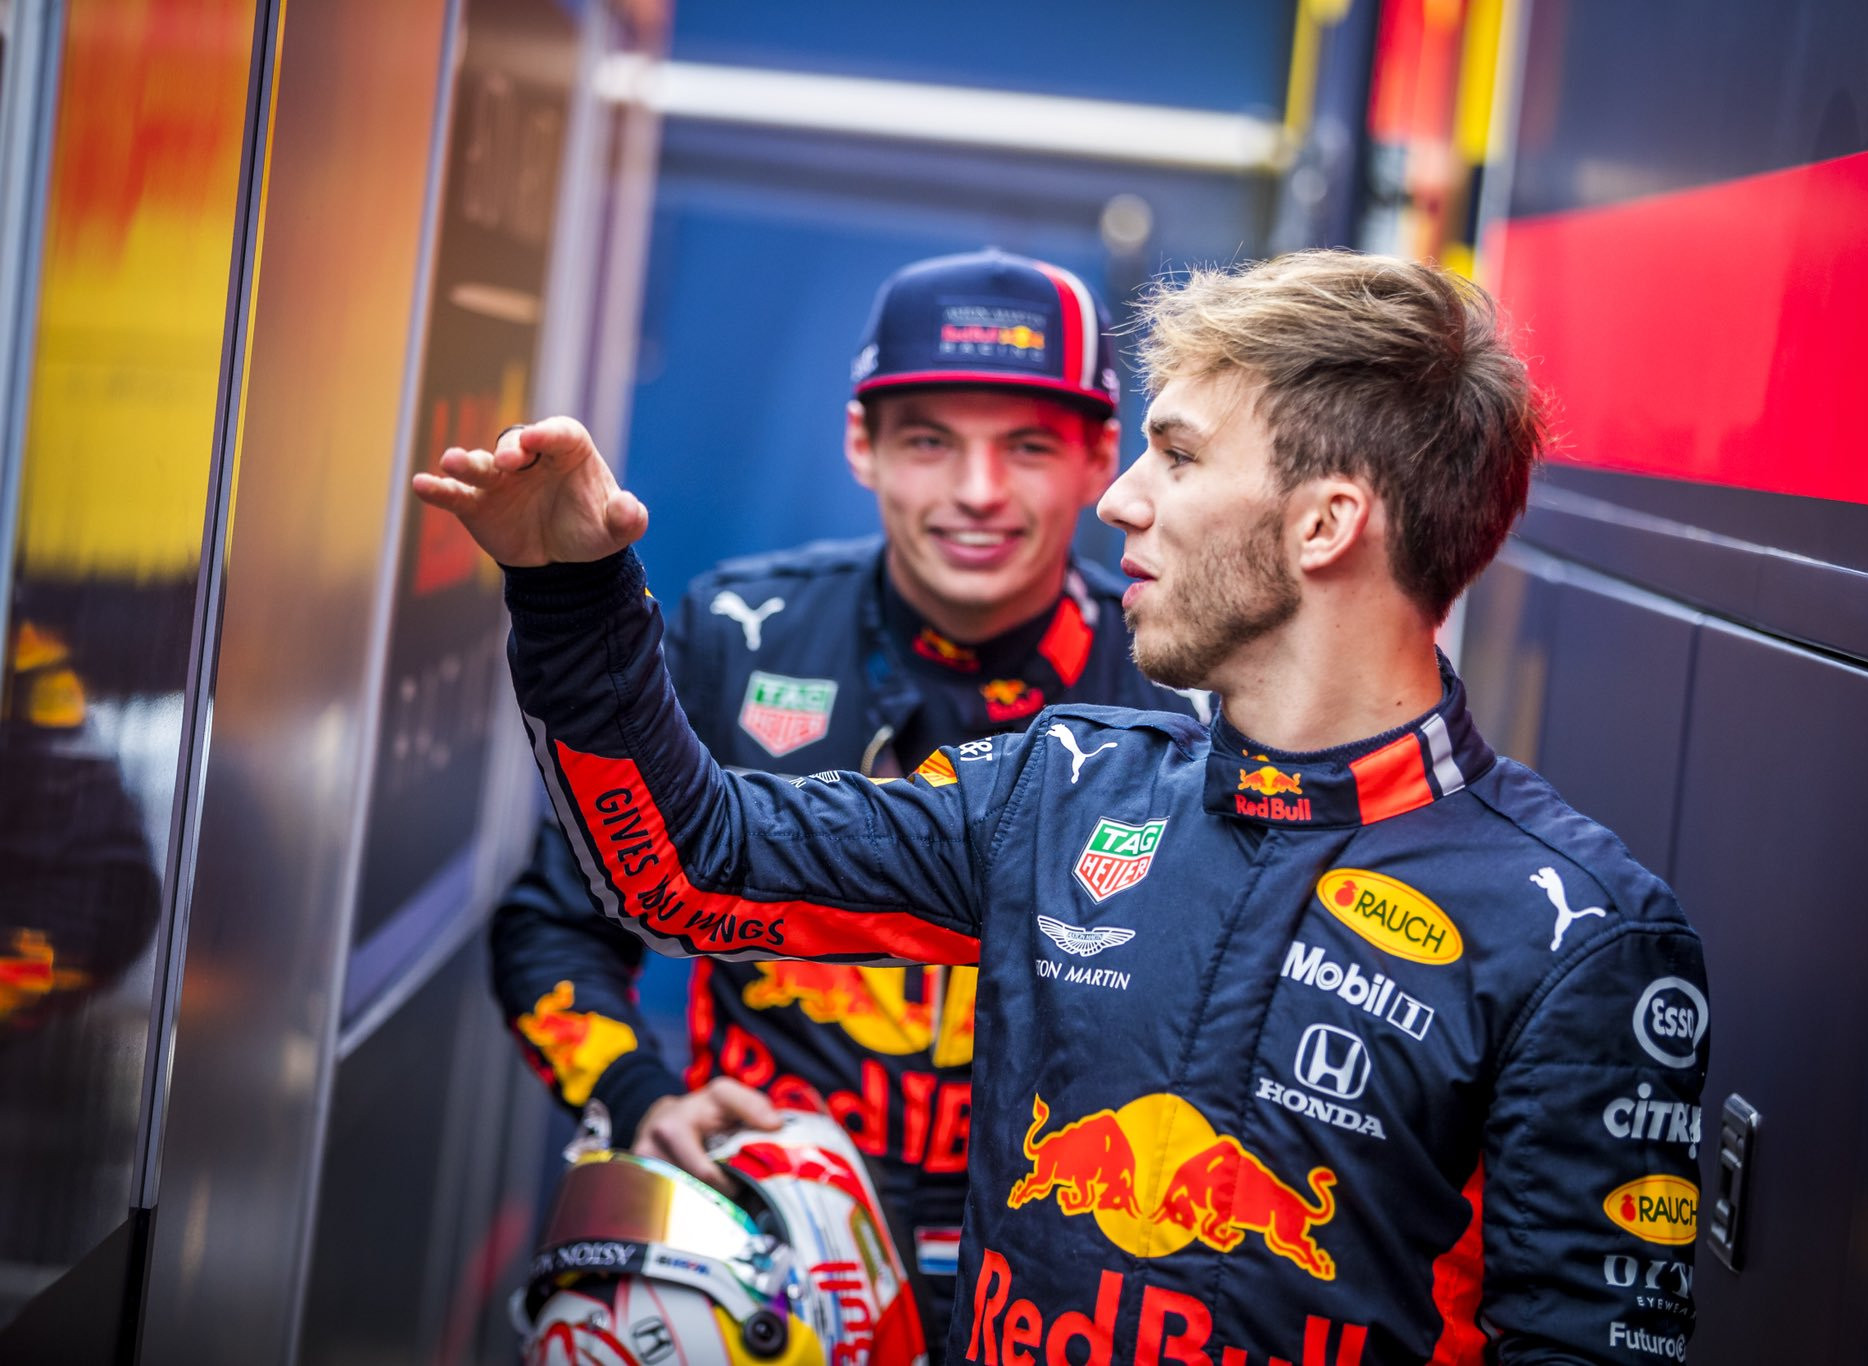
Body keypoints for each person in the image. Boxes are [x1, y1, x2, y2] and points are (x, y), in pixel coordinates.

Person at [421, 249, 1710, 1364]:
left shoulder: (1578, 936)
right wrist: (572, 594)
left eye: (1175, 454)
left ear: (1324, 524)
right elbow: (684, 869)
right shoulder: (1060, 785)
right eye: (930, 438)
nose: (1117, 501)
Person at [487, 248, 1202, 1350]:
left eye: (1028, 445)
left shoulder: (1180, 685)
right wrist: (638, 1096)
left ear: (1100, 459)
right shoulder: (742, 634)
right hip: (773, 1254)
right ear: (861, 445)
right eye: (929, 441)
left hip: (1053, 1277)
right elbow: (555, 918)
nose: (977, 491)